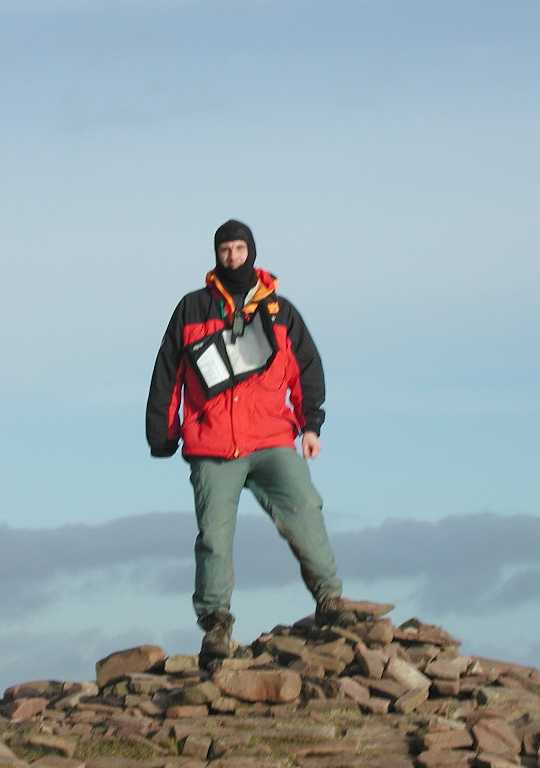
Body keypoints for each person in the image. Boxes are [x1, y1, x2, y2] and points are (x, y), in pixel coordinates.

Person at [146, 218, 377, 662]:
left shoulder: (279, 310)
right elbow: (167, 372)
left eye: (239, 248)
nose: (233, 256)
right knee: (214, 536)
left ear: (251, 250)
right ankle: (216, 625)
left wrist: (311, 426)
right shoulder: (192, 308)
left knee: (306, 508)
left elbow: (305, 368)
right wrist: (162, 431)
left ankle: (330, 602)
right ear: (216, 254)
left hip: (272, 438)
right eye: (225, 250)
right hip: (212, 445)